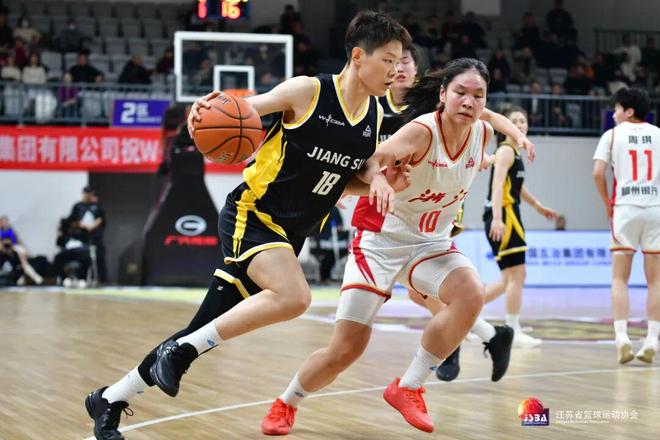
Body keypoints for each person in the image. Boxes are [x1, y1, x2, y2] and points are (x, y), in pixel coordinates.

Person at [84, 11, 412, 440]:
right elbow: (240, 111)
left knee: (199, 330)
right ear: (357, 57)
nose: (395, 71)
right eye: (388, 60)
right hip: (253, 215)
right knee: (295, 297)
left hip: (289, 236)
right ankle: (179, 352)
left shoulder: (373, 118)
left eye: (398, 62)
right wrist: (200, 111)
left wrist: (378, 182)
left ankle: (110, 399)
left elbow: (342, 179)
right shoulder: (308, 91)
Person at [261, 58, 535, 435]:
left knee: (471, 293)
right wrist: (378, 181)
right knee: (345, 350)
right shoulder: (422, 131)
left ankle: (409, 386)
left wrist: (517, 135)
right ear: (443, 94)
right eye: (460, 92)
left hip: (430, 244)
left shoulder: (482, 133)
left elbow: (492, 118)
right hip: (382, 242)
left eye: (478, 95)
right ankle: (286, 402)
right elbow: (372, 160)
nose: (469, 101)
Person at [479, 107, 558, 349]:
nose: (520, 124)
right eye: (514, 121)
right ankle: (513, 329)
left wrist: (538, 206)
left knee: (508, 279)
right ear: (504, 127)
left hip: (509, 213)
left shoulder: (514, 151)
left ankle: (464, 313)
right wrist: (497, 218)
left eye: (523, 120)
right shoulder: (505, 150)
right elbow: (498, 184)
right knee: (517, 276)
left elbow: (517, 187)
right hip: (504, 215)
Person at [593, 87, 660, 364]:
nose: (613, 115)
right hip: (655, 209)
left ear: (629, 111)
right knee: (655, 280)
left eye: (617, 109)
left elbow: (598, 172)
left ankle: (622, 338)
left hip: (625, 209)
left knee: (619, 278)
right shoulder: (658, 134)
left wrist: (606, 202)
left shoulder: (612, 135)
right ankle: (652, 340)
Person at [69, 186, 106, 283]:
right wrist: (81, 224)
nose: (88, 195)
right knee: (83, 258)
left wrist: (92, 225)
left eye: (90, 193)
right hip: (81, 239)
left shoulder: (96, 206)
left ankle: (99, 279)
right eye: (86, 193)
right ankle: (81, 278)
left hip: (95, 238)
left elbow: (101, 219)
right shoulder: (78, 206)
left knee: (98, 257)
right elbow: (72, 221)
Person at [0, 215, 43, 285]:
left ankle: (37, 279)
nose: (4, 223)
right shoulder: (0, 231)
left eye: (6, 221)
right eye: (3, 222)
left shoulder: (12, 231)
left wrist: (26, 250)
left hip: (13, 247)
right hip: (3, 249)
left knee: (23, 254)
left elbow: (19, 241)